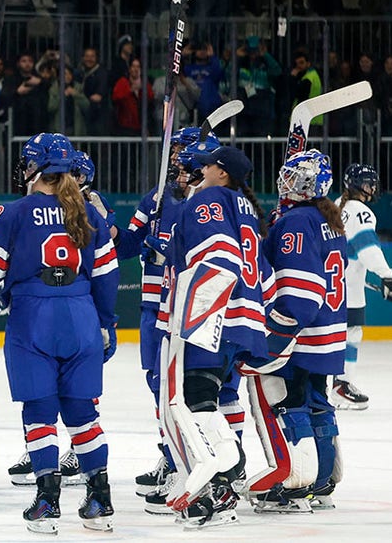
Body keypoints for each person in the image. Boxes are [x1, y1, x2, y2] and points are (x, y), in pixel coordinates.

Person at [0, 133, 118, 534]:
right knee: (83, 414)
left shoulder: (15, 212)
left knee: (40, 413)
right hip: (81, 315)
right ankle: (100, 497)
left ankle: (48, 499)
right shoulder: (87, 212)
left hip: (33, 318)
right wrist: (106, 323)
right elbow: (108, 275)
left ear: (36, 168)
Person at [155, 145, 268, 529]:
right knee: (208, 397)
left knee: (194, 400)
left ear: (223, 174)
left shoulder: (212, 200)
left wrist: (193, 314)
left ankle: (219, 483)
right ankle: (225, 479)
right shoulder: (245, 207)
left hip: (212, 314)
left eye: (209, 165)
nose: (201, 169)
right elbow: (262, 273)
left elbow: (218, 255)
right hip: (243, 320)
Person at [111, 128, 217, 503]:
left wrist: (165, 244)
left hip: (189, 307)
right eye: (173, 149)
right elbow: (127, 246)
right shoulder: (155, 196)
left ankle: (212, 464)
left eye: (182, 150)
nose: (175, 157)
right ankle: (172, 456)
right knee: (158, 383)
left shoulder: (207, 201)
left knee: (197, 387)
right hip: (153, 305)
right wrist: (106, 222)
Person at [245, 150, 347, 514]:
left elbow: (301, 293)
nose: (284, 181)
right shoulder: (326, 218)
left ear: (305, 184)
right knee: (319, 401)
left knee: (289, 401)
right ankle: (322, 482)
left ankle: (296, 484)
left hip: (303, 333)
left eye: (292, 177)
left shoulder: (297, 223)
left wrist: (278, 331)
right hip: (330, 331)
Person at [334, 164, 392, 409]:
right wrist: (386, 275)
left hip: (331, 285)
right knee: (351, 334)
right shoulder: (360, 211)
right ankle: (341, 387)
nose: (371, 188)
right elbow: (367, 248)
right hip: (347, 290)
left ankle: (326, 387)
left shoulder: (335, 206)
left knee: (332, 337)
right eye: (367, 183)